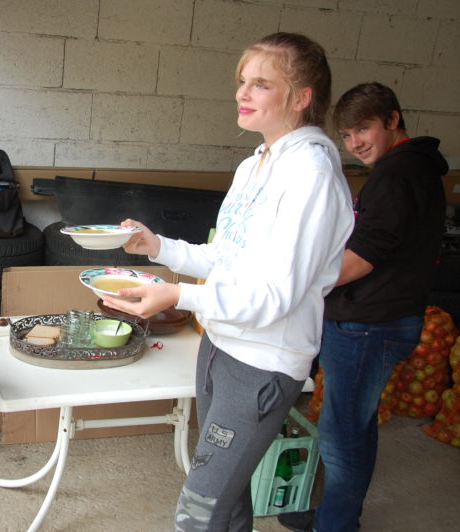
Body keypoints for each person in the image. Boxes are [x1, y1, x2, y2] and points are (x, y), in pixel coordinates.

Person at [102, 32, 354, 531]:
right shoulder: (254, 164)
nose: (242, 93)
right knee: (228, 498)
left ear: (301, 98)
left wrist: (175, 295)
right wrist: (159, 249)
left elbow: (275, 296)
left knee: (198, 511)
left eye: (260, 84)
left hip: (263, 362)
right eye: (242, 81)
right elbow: (228, 255)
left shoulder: (311, 173)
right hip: (220, 345)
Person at [277, 83, 448, 532]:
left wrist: (300, 286)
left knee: (340, 435)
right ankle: (337, 514)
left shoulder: (400, 173)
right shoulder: (410, 168)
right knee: (356, 425)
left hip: (370, 324)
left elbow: (367, 253)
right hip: (378, 319)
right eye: (348, 135)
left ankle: (335, 526)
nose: (356, 144)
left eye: (365, 129)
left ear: (392, 120)